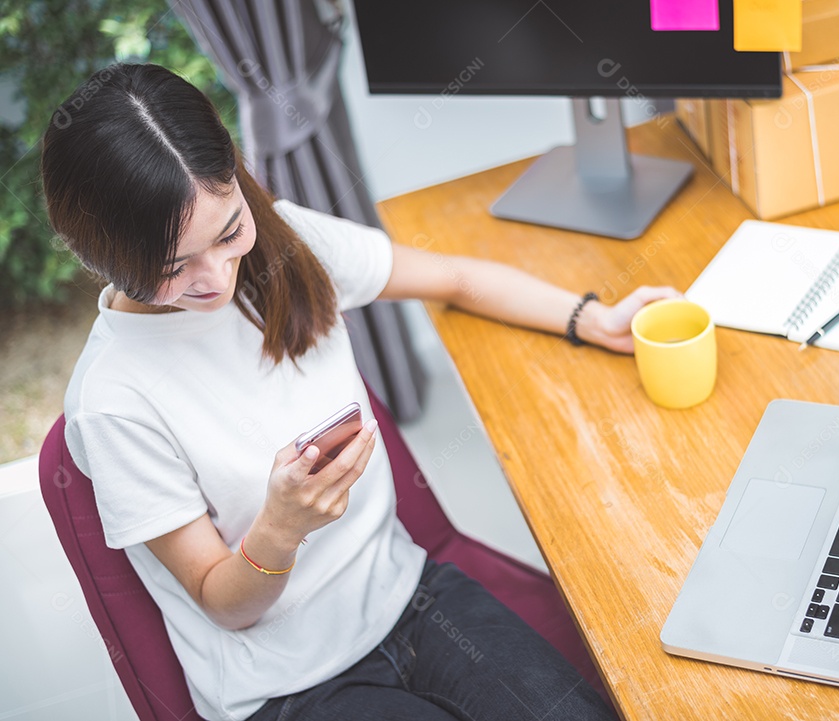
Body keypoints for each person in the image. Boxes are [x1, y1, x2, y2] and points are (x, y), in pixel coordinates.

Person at [41, 63, 676, 721]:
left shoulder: (286, 246)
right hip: (288, 687)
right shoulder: (113, 402)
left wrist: (590, 317)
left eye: (229, 233)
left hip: (411, 597)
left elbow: (455, 279)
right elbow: (223, 604)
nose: (218, 278)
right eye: (173, 267)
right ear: (98, 256)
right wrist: (279, 529)